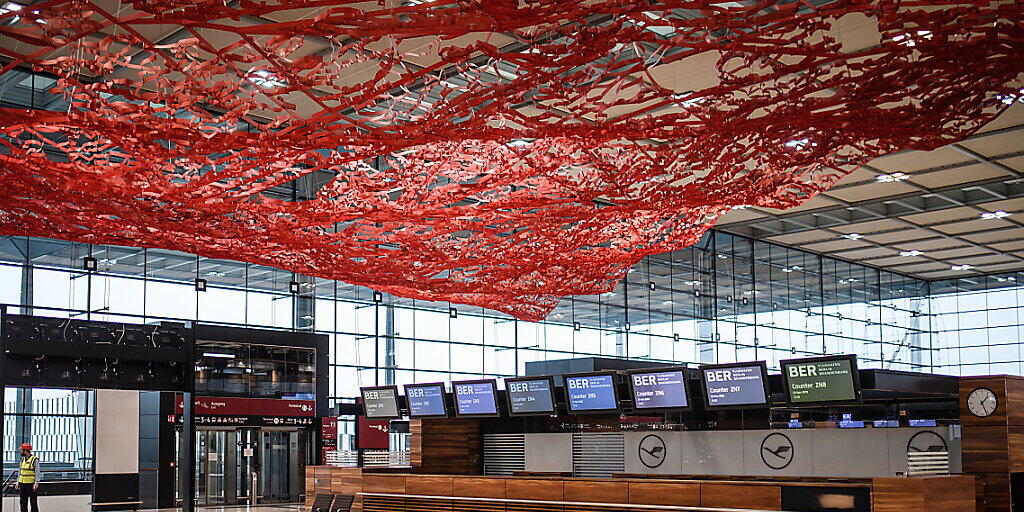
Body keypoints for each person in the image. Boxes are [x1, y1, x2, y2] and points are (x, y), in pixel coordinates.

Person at [15, 443, 39, 512]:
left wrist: (36, 483)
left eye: (21, 450)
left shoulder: (34, 459)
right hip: (22, 483)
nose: (20, 451)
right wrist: (17, 482)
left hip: (31, 484)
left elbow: (37, 472)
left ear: (25, 450)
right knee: (23, 502)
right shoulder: (22, 459)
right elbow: (20, 471)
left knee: (33, 502)